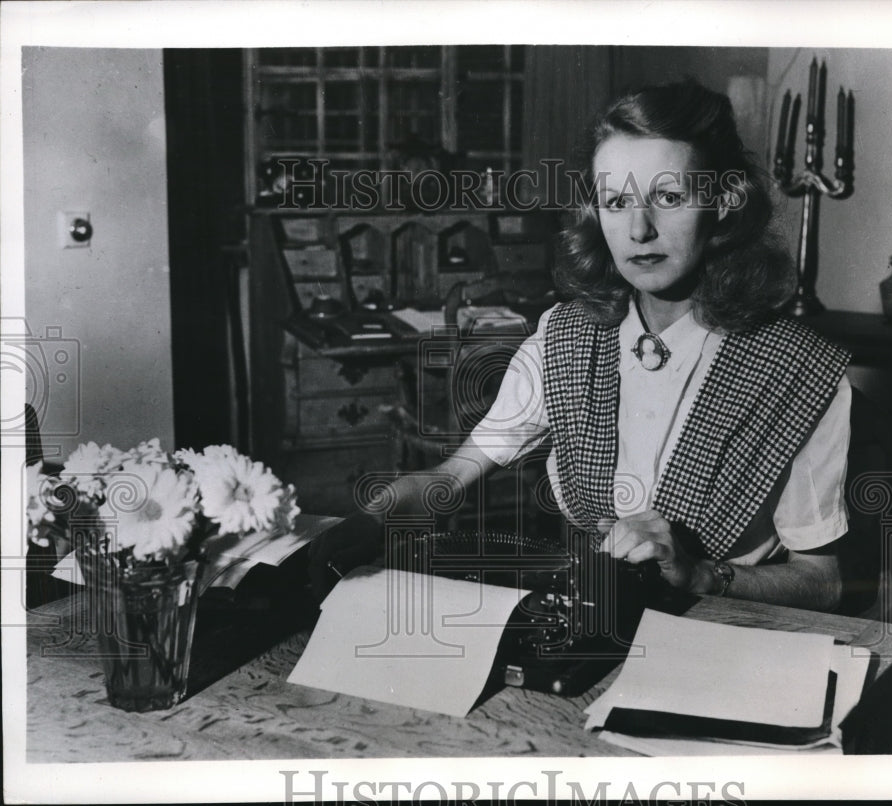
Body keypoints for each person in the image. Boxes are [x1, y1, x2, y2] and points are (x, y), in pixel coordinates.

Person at [313, 80, 851, 612]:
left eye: (668, 197)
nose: (639, 229)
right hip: (589, 616)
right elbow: (453, 476)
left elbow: (821, 582)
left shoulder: (799, 370)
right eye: (616, 202)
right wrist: (392, 507)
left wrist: (701, 575)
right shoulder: (565, 336)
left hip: (722, 634)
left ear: (725, 202)